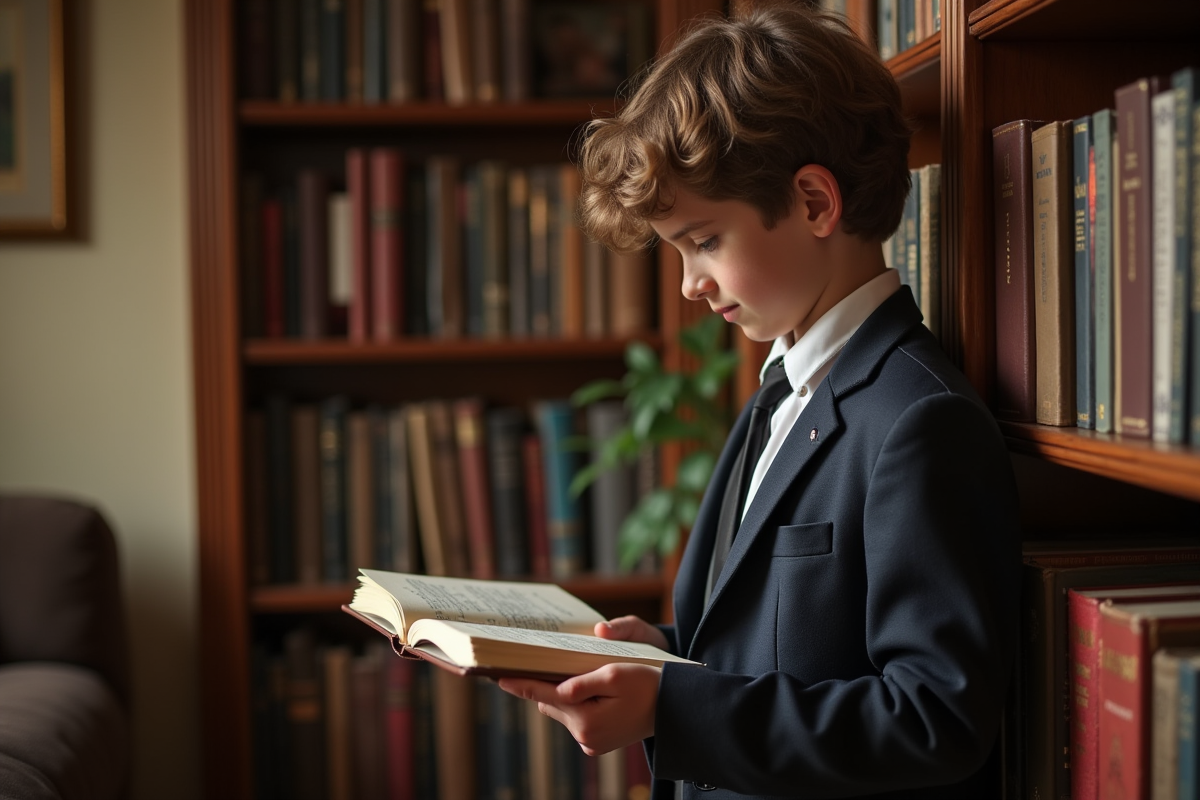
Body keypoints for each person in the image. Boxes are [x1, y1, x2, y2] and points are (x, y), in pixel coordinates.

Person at [498, 5, 1020, 798]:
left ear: (814, 203)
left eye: (704, 241)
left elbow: (933, 718)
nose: (688, 284)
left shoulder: (919, 421)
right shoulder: (782, 382)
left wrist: (672, 709)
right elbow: (796, 641)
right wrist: (667, 656)